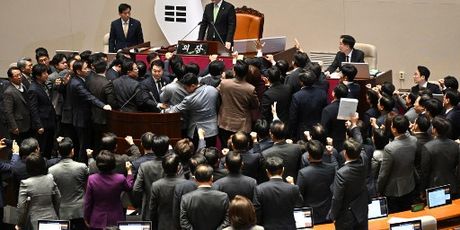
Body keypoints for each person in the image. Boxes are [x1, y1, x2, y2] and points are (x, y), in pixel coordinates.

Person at [165, 73, 219, 147]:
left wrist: (166, 109)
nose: (185, 89)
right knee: (211, 152)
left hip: (198, 131)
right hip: (212, 129)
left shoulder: (190, 99)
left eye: (186, 87)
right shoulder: (212, 89)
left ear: (193, 86)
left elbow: (175, 109)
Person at [377, 115, 417, 213]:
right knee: (408, 214)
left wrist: (379, 189)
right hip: (410, 184)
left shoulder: (390, 148)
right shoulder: (414, 140)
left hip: (393, 190)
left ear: (394, 129)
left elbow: (384, 174)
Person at [84, 150, 134, 230]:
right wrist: (129, 171)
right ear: (113, 164)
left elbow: (88, 202)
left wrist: (86, 217)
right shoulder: (120, 178)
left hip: (97, 218)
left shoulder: (91, 179)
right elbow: (129, 187)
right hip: (116, 217)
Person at [49, 137, 88, 230]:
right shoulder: (82, 167)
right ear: (72, 151)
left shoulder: (51, 170)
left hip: (61, 212)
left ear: (58, 152)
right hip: (79, 211)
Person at [253, 156, 303, 230]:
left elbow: (257, 213)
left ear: (267, 171)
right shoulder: (293, 188)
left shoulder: (259, 189)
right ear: (283, 170)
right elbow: (300, 204)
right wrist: (292, 184)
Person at [329, 139, 368, 230]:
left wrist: (333, 215)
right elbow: (362, 152)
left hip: (347, 216)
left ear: (345, 153)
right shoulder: (364, 161)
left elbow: (337, 198)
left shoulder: (342, 173)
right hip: (362, 210)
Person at [218, 60, 259, 147]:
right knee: (241, 149)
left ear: (234, 71)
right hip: (242, 125)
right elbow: (255, 105)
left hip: (225, 122)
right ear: (247, 73)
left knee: (225, 147)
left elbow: (217, 93)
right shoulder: (250, 89)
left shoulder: (224, 83)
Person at [16, 153, 61, 230]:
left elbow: (21, 207)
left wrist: (20, 224)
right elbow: (58, 197)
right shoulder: (50, 178)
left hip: (34, 222)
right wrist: (55, 213)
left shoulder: (25, 183)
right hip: (52, 218)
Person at [296, 140, 335, 224]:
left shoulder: (303, 173)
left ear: (308, 156)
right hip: (327, 214)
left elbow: (299, 197)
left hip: (310, 216)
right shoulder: (331, 169)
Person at [180, 164, 230, 229]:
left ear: (195, 179)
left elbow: (184, 222)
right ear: (212, 178)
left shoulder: (186, 198)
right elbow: (228, 220)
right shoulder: (224, 197)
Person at [420, 117, 460, 197]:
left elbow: (425, 172)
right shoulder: (455, 145)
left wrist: (422, 190)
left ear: (434, 130)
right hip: (452, 184)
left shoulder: (428, 147)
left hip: (434, 187)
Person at [132, 135, 169, 221]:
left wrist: (139, 204)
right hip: (168, 209)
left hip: (148, 208)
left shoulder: (144, 166)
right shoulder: (171, 164)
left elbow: (136, 189)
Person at [149, 153, 186, 229]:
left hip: (163, 224)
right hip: (180, 225)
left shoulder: (156, 185)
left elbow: (153, 209)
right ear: (178, 168)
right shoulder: (185, 184)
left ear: (163, 167)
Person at [289, 70, 327, 140]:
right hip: (318, 129)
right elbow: (325, 111)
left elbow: (293, 117)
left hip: (302, 131)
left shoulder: (297, 96)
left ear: (301, 82)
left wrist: (292, 134)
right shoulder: (322, 93)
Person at [28, 64, 56, 158]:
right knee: (42, 147)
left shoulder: (43, 84)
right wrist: (38, 125)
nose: (47, 75)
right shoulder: (33, 89)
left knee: (49, 145)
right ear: (37, 76)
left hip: (49, 121)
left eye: (47, 72)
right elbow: (33, 109)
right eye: (44, 73)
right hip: (42, 123)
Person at [4, 66, 32, 144]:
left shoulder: (23, 86)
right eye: (16, 76)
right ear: (10, 78)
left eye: (20, 75)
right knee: (18, 147)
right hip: (18, 125)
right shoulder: (9, 92)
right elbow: (8, 112)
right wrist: (14, 126)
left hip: (27, 123)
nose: (19, 77)